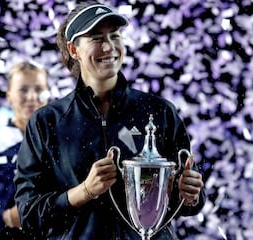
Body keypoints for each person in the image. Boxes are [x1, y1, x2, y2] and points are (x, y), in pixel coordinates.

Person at [14, 2, 205, 239]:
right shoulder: (47, 122)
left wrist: (190, 192)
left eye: (114, 36)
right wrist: (84, 191)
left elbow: (191, 202)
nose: (109, 46)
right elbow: (29, 214)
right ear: (74, 50)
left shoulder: (159, 112)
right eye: (96, 38)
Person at [0, 61, 49, 239]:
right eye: (23, 90)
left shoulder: (61, 142)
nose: (32, 97)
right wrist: (5, 217)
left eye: (39, 89)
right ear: (9, 96)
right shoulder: (0, 142)